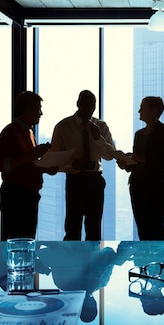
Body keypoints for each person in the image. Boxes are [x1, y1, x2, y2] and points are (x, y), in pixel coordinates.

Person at [50, 90, 116, 240]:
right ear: (78, 104)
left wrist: (98, 138)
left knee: (94, 228)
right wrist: (71, 163)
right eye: (86, 105)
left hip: (95, 179)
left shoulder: (101, 126)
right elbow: (54, 157)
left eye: (92, 106)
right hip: (75, 179)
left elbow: (109, 155)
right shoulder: (63, 127)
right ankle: (73, 261)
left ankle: (92, 260)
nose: (89, 109)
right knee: (73, 226)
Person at [0, 91, 57, 241]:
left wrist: (46, 168)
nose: (40, 113)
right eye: (38, 108)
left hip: (28, 195)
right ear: (28, 109)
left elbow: (28, 164)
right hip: (16, 196)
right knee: (16, 240)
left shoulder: (29, 133)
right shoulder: (10, 132)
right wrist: (33, 154)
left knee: (26, 239)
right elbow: (0, 165)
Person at [117, 96, 164, 240]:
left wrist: (140, 158)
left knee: (155, 226)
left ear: (154, 111)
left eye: (142, 108)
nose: (139, 111)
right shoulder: (139, 134)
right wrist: (126, 163)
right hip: (137, 185)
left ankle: (158, 259)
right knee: (142, 226)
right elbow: (137, 162)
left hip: (155, 186)